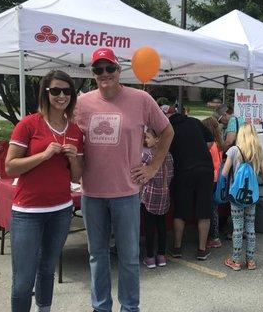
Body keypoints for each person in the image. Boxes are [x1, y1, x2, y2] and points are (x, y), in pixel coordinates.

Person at [74, 48, 174, 312]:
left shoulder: (141, 99)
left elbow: (167, 132)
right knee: (97, 256)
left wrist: (152, 167)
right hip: (92, 193)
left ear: (119, 71)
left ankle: (130, 308)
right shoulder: (82, 103)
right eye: (99, 69)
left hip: (126, 193)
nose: (104, 74)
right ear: (93, 74)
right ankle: (101, 307)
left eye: (109, 68)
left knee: (129, 258)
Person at [4, 70, 84, 312]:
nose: (61, 96)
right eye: (56, 91)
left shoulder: (75, 130)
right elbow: (10, 167)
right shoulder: (28, 124)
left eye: (66, 91)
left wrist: (73, 158)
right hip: (27, 212)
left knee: (47, 269)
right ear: (46, 93)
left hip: (60, 210)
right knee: (23, 280)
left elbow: (76, 176)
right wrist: (44, 155)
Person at [166, 105, 215, 260]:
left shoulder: (168, 129)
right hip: (205, 169)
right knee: (204, 210)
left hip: (183, 172)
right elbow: (210, 141)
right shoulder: (194, 121)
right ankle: (202, 250)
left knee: (180, 211)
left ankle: (177, 248)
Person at [222, 123, 263, 271]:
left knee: (237, 228)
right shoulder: (258, 151)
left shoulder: (233, 150)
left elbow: (224, 173)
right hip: (251, 196)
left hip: (236, 196)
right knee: (250, 227)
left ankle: (235, 261)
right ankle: (251, 261)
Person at [141, 128, 174, 269]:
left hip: (150, 195)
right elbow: (172, 174)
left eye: (148, 137)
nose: (145, 140)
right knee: (161, 226)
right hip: (164, 194)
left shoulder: (148, 157)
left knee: (149, 226)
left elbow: (142, 176)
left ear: (158, 139)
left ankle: (149, 256)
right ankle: (161, 255)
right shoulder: (169, 155)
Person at [201, 116, 224, 249]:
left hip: (211, 178)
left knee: (211, 209)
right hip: (217, 177)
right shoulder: (218, 143)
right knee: (214, 208)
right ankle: (214, 235)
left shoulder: (210, 145)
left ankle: (214, 237)